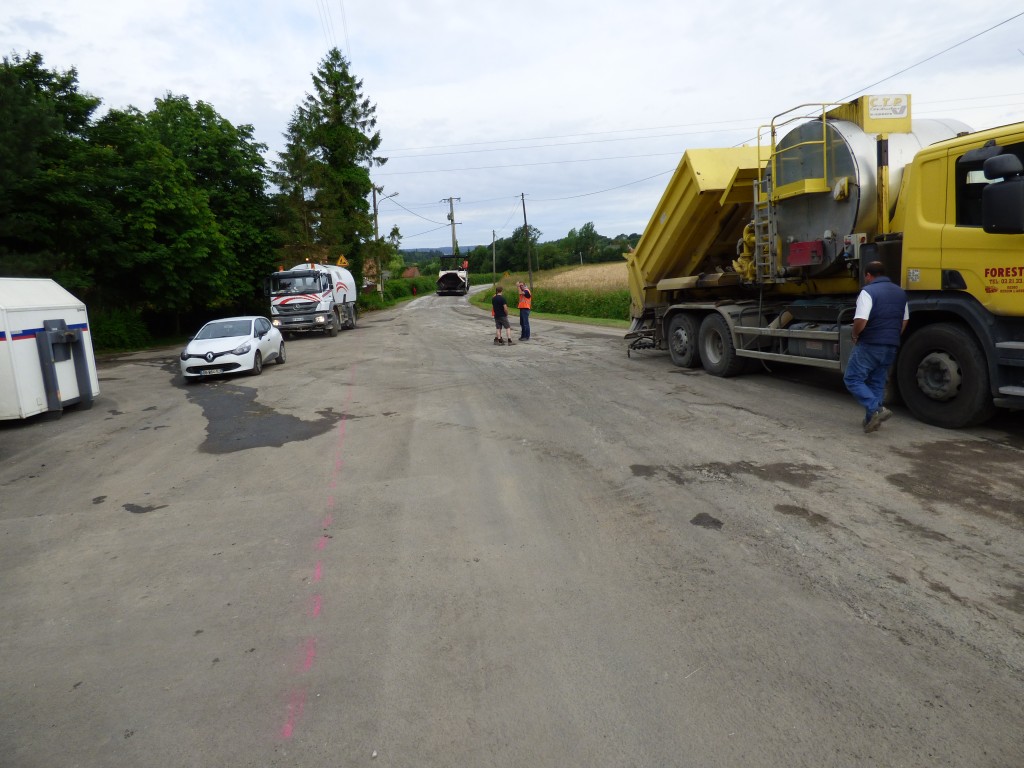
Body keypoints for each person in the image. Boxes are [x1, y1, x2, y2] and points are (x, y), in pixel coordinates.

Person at [843, 261, 909, 433]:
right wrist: (893, 336)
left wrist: (855, 334)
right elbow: (905, 319)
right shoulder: (900, 293)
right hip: (891, 344)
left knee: (852, 378)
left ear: (868, 275)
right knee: (877, 382)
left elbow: (861, 320)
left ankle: (877, 409)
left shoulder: (868, 291)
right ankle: (870, 420)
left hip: (870, 343)